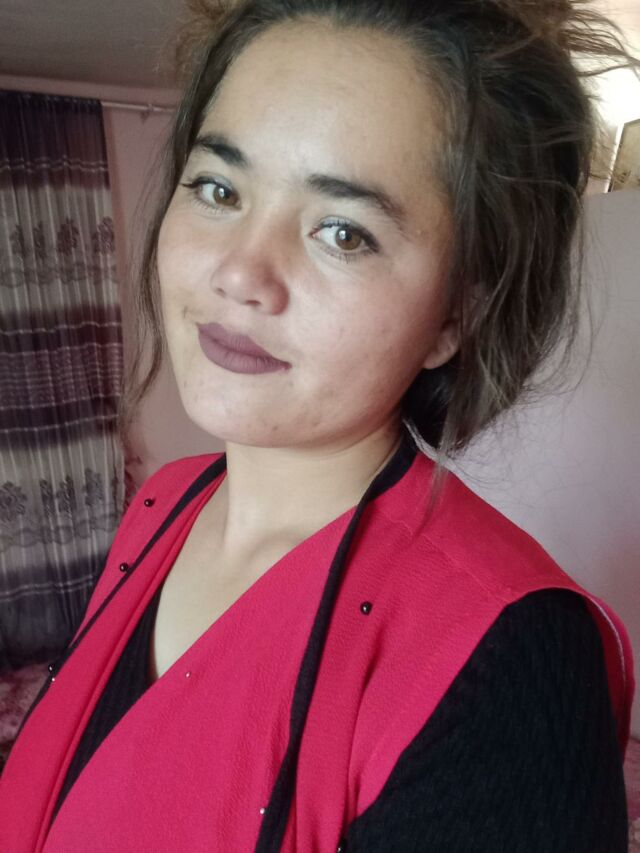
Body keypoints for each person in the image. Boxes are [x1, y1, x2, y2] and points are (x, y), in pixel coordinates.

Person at [1, 0, 638, 850]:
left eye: (343, 231)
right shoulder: (165, 502)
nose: (240, 273)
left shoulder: (513, 658)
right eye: (219, 189)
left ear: (457, 313)